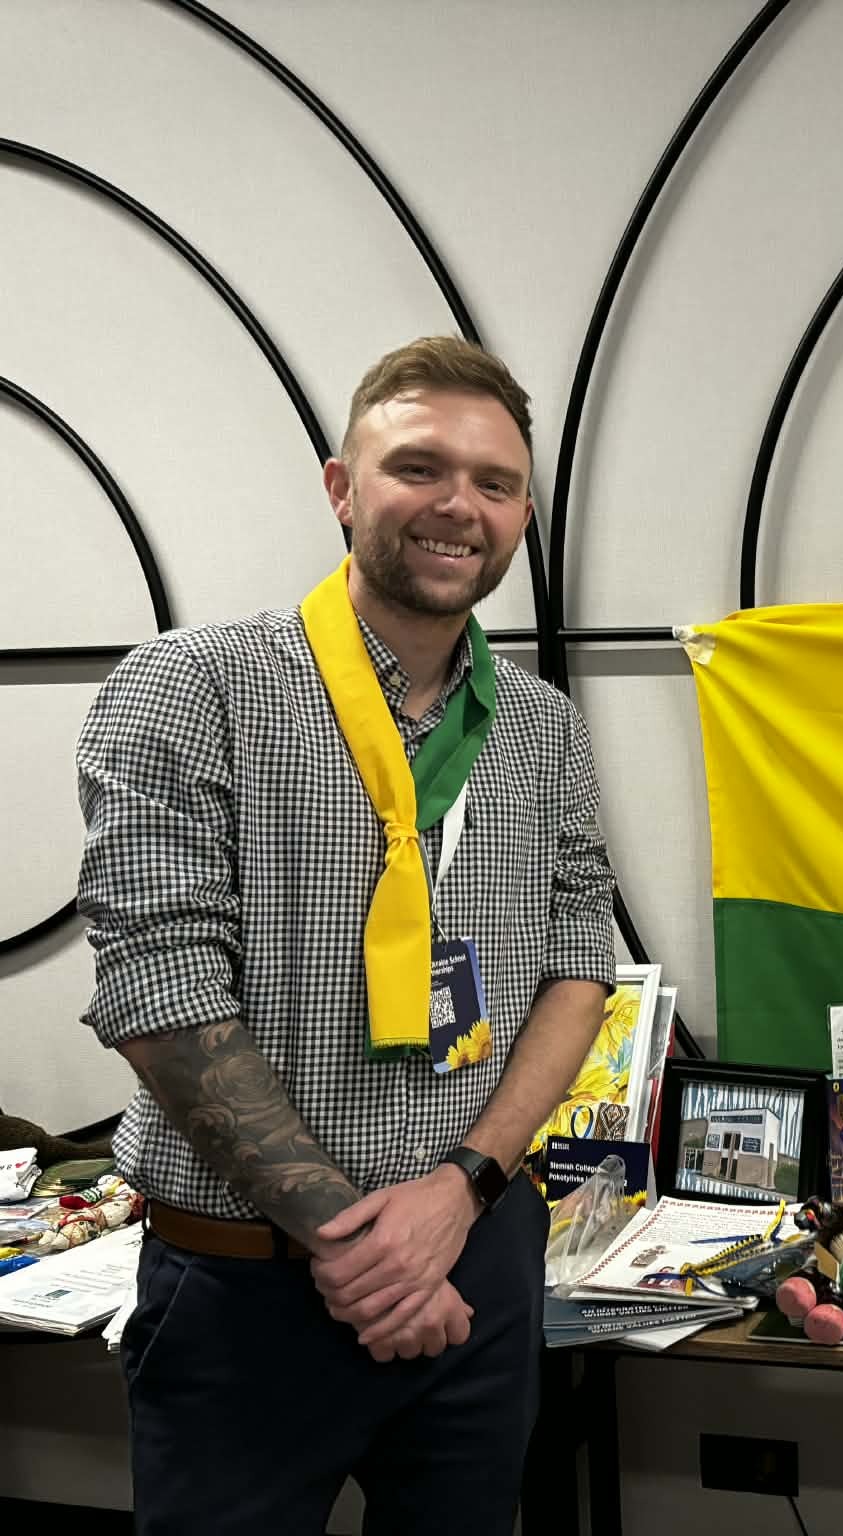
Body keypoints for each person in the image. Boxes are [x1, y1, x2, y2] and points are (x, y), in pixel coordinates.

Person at [76, 337, 618, 1535]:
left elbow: (578, 965)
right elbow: (160, 989)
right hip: (248, 1284)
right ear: (341, 487)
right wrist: (360, 1248)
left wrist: (460, 1191)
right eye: (418, 467)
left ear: (521, 514)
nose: (458, 506)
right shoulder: (194, 686)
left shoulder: (541, 726)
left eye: (494, 482)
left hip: (477, 1255)